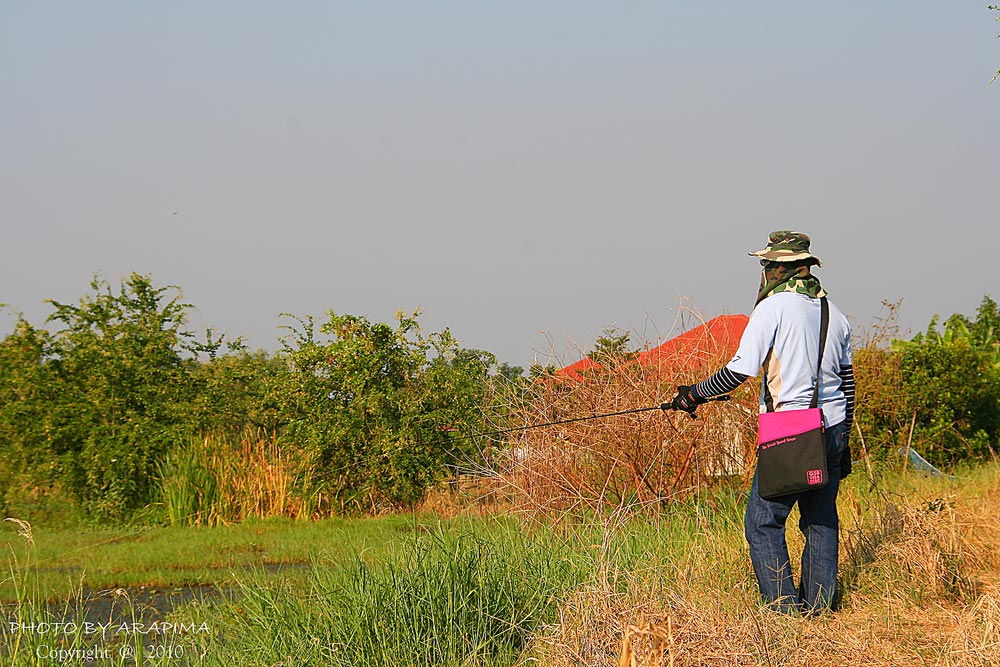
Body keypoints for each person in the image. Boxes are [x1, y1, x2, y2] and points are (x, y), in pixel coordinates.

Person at [662, 231, 855, 614]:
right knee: (820, 520)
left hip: (791, 428)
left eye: (767, 265)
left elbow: (740, 370)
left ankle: (784, 612)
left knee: (763, 522)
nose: (764, 272)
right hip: (833, 426)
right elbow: (848, 383)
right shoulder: (837, 314)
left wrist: (692, 395)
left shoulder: (772, 308)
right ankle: (818, 610)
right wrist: (843, 437)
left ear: (779, 269)